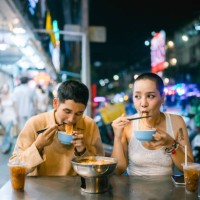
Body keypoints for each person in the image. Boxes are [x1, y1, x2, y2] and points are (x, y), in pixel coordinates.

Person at [9, 79, 104, 176]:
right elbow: (14, 167)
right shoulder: (35, 124)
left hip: (75, 187)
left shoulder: (89, 125)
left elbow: (100, 168)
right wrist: (38, 146)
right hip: (40, 187)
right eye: (67, 111)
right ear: (55, 103)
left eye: (79, 113)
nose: (71, 119)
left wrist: (83, 151)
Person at [111, 72, 193, 176]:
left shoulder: (176, 122)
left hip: (168, 190)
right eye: (137, 96)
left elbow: (188, 168)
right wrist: (117, 137)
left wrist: (170, 144)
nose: (143, 103)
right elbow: (118, 170)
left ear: (162, 98)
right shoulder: (127, 124)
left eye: (150, 96)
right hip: (134, 190)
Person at [0, 83, 17, 154]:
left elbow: (15, 106)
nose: (5, 89)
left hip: (11, 116)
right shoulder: (0, 97)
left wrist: (16, 115)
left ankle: (5, 147)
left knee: (7, 131)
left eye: (6, 87)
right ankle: (9, 143)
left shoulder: (12, 95)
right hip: (3, 117)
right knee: (6, 132)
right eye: (3, 88)